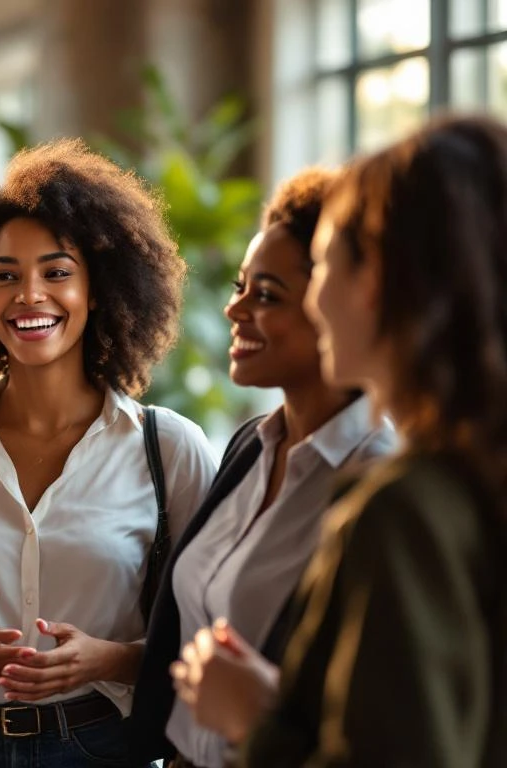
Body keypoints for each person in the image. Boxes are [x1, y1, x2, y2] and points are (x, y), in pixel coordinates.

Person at [176, 115, 507, 765]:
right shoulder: (476, 477)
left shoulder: (401, 508)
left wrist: (255, 718)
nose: (315, 299)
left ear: (374, 281)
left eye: (323, 264)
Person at [0, 138, 217, 768]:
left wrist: (116, 658)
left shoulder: (169, 447)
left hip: (107, 745)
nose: (29, 295)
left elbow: (213, 627)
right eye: (5, 276)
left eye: (57, 272)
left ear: (97, 289)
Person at [127, 168, 396, 768]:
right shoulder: (252, 444)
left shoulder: (375, 480)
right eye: (240, 285)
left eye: (267, 294)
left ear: (344, 301)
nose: (233, 308)